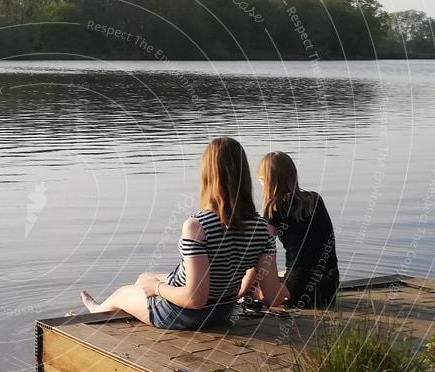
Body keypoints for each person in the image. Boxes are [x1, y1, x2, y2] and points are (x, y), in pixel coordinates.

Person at [79, 137, 288, 329]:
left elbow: (196, 298)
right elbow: (272, 296)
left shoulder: (198, 226)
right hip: (223, 312)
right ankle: (128, 307)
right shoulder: (262, 228)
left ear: (208, 176)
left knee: (124, 293)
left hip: (184, 315)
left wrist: (158, 288)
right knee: (145, 277)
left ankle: (97, 311)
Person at [255, 151, 339, 309]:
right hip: (330, 286)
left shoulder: (274, 207)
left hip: (300, 288)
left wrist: (242, 289)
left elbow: (260, 250)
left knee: (256, 288)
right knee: (278, 274)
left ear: (266, 180)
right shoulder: (315, 198)